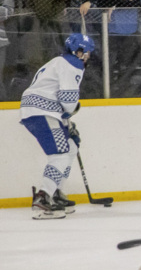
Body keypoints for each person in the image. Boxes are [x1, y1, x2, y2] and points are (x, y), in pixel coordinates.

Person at [19, 33, 93, 218]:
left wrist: (66, 121)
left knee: (70, 147)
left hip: (40, 110)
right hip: (42, 112)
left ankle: (56, 193)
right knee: (59, 154)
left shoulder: (60, 61)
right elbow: (68, 100)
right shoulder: (73, 64)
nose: (88, 56)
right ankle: (42, 199)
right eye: (87, 52)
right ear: (79, 52)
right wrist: (71, 111)